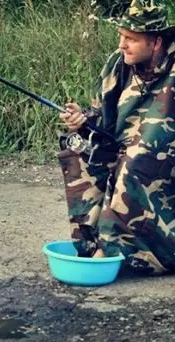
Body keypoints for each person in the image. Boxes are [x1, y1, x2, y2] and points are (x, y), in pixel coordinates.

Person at [58, 0, 175, 274]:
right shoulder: (118, 64)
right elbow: (101, 121)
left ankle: (122, 251)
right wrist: (82, 122)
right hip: (128, 149)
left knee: (138, 156)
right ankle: (91, 242)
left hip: (161, 156)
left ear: (156, 42)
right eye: (121, 36)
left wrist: (140, 147)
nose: (122, 45)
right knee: (78, 148)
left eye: (131, 39)